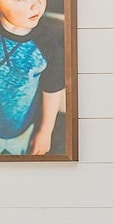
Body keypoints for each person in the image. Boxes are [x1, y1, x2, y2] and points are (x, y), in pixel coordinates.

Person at [0, 0, 65, 155]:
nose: (37, 5)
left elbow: (53, 88)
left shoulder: (48, 42)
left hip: (20, 129)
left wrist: (45, 131)